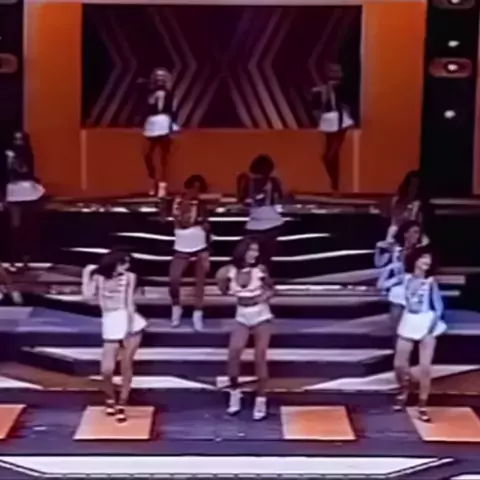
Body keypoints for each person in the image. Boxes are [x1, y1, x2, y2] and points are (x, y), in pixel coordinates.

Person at [81, 249, 147, 423]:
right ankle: (109, 397)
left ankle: (122, 402)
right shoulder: (99, 278)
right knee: (107, 369)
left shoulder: (130, 277)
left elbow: (129, 304)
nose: (127, 266)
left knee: (126, 364)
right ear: (114, 263)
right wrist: (86, 275)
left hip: (129, 322)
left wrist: (129, 328)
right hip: (110, 321)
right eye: (124, 263)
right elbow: (87, 297)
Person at [216, 238, 274, 421]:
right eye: (251, 250)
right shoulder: (228, 271)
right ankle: (235, 393)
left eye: (256, 250)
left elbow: (271, 289)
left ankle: (261, 399)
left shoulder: (260, 270)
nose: (254, 254)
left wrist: (263, 297)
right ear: (242, 251)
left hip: (262, 316)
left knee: (260, 356)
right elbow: (223, 288)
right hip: (242, 316)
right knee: (234, 353)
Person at [388, 246, 446, 422]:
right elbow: (384, 285)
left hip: (427, 321)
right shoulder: (405, 279)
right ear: (415, 260)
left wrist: (431, 326)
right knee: (399, 364)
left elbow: (439, 307)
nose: (427, 261)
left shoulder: (431, 282)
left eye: (429, 258)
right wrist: (392, 267)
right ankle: (404, 390)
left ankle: (422, 404)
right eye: (424, 257)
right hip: (409, 321)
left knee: (425, 367)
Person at [169, 175, 211, 330]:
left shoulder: (202, 204)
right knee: (174, 279)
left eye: (198, 187)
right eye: (193, 186)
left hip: (200, 246)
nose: (195, 190)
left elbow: (206, 223)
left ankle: (198, 313)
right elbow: (177, 220)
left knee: (200, 281)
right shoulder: (177, 201)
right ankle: (176, 307)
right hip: (181, 246)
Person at [3, 131, 45, 271]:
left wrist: (14, 159)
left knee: (27, 226)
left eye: (20, 139)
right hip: (14, 192)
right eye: (16, 139)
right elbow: (6, 175)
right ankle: (13, 259)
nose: (18, 142)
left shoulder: (27, 154)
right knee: (15, 228)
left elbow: (24, 170)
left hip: (27, 191)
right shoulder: (8, 155)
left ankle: (26, 259)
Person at [312, 63, 354, 194]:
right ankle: (335, 186)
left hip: (342, 122)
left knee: (331, 156)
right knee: (328, 157)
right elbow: (316, 108)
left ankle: (335, 186)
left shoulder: (342, 89)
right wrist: (323, 95)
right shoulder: (319, 90)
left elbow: (347, 105)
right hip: (328, 122)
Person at [375, 220, 427, 327]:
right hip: (399, 288)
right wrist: (378, 249)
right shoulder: (396, 250)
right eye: (415, 232)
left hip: (415, 287)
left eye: (418, 232)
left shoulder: (421, 251)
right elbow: (379, 263)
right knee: (396, 322)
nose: (417, 235)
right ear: (406, 234)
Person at [237, 155, 284, 270]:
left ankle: (257, 277)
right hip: (269, 224)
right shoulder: (251, 181)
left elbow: (243, 201)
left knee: (256, 258)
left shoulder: (249, 181)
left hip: (262, 224)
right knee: (261, 258)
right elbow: (280, 199)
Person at [142, 68, 178, 198]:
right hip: (152, 122)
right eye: (157, 77)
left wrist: (173, 125)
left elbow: (173, 109)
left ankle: (162, 185)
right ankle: (153, 180)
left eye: (162, 77)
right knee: (148, 155)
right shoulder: (149, 93)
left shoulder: (170, 94)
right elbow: (148, 106)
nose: (160, 80)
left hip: (164, 122)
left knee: (164, 157)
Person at [388, 170, 430, 240]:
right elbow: (395, 221)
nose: (413, 189)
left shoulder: (420, 203)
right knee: (393, 229)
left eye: (416, 186)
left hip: (416, 234)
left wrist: (415, 211)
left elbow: (418, 224)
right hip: (398, 231)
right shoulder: (397, 200)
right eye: (412, 185)